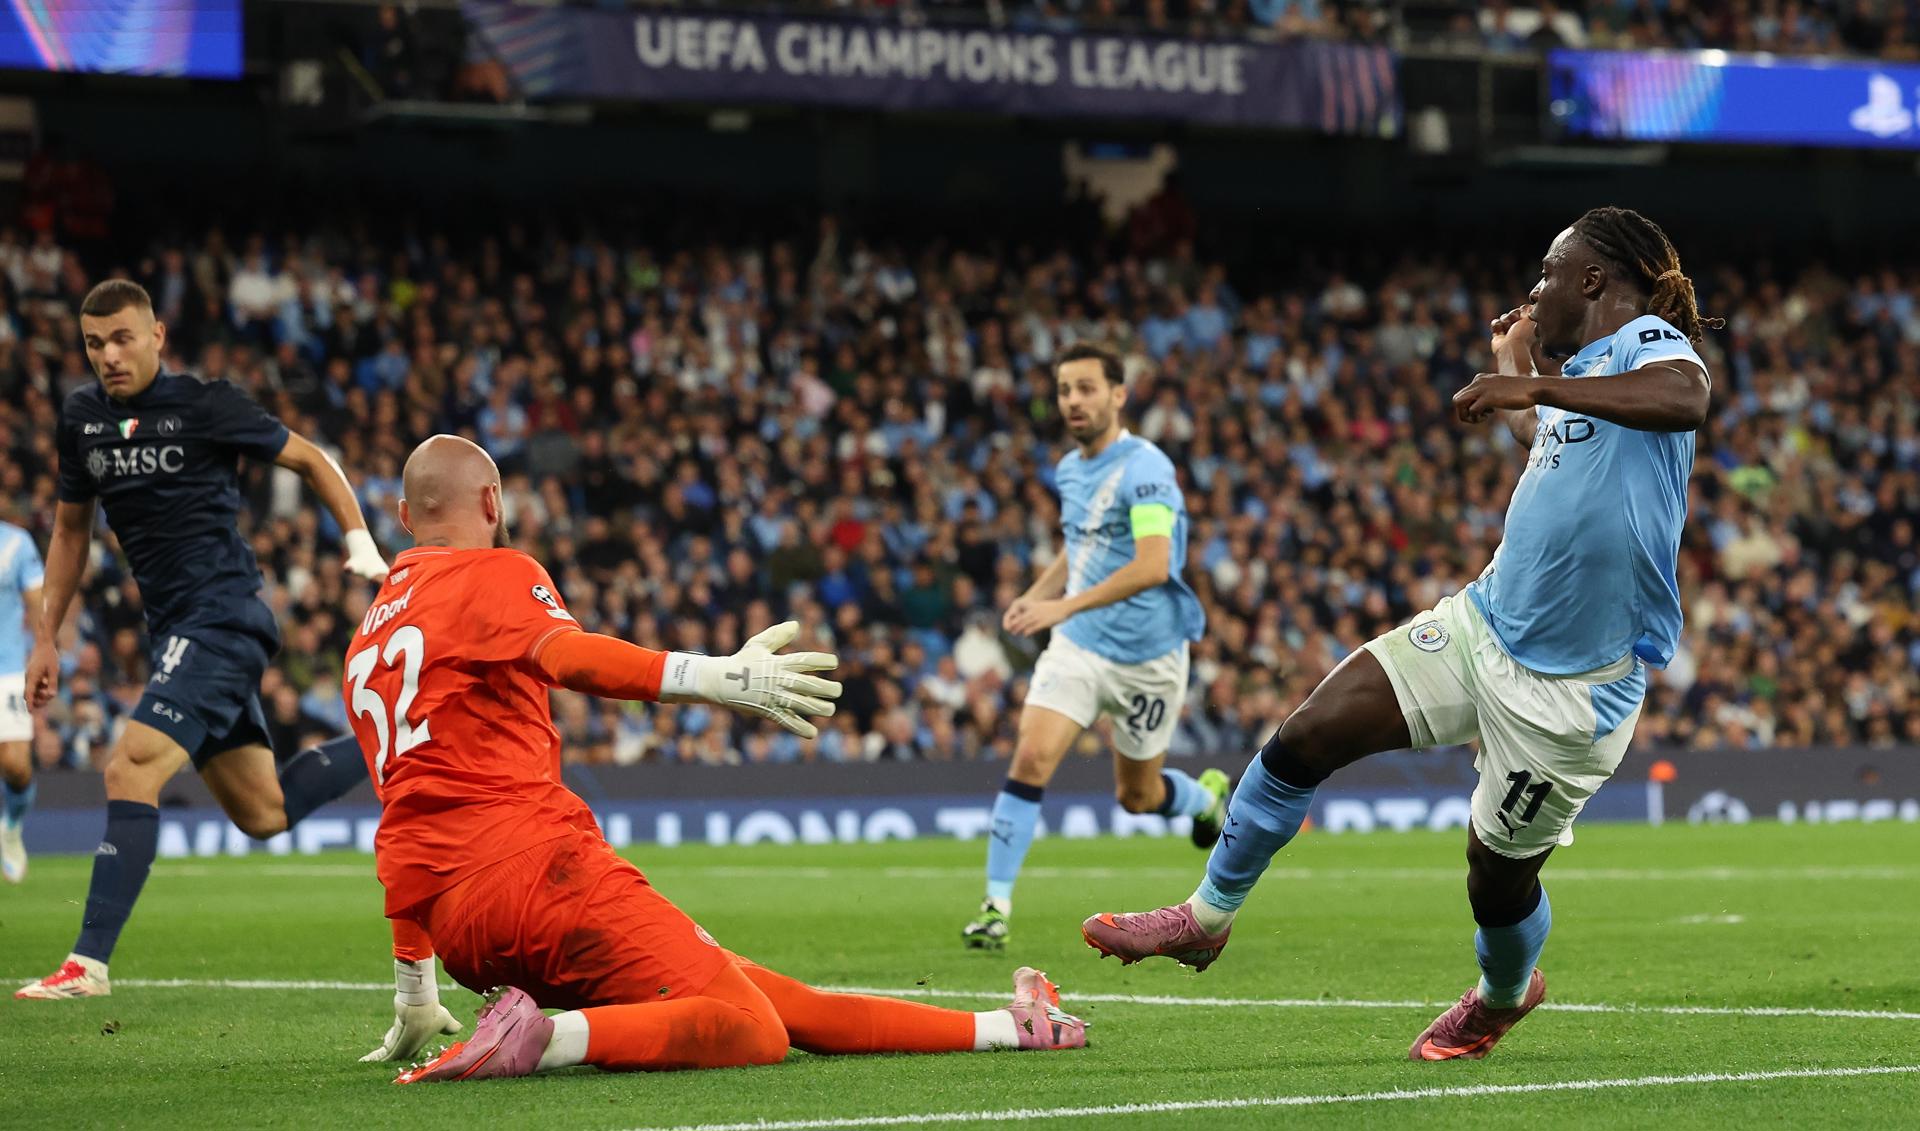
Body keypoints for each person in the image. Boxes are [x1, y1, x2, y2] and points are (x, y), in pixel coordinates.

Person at [1083, 207, 1716, 1062]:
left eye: (1548, 272)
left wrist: (1531, 383)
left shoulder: (1647, 345)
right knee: (1306, 735)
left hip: (1571, 696)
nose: (1536, 290)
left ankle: (1501, 994)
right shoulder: (1591, 374)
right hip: (1480, 624)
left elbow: (1687, 397)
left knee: (1495, 880)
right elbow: (1556, 448)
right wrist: (1516, 371)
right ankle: (1205, 918)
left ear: (1594, 280)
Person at [351, 435, 1086, 1082]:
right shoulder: (495, 572)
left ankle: (1008, 1025)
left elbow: (405, 817)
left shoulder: (366, 646)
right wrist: (717, 676)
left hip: (458, 930)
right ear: (492, 499)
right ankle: (541, 1038)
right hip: (539, 877)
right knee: (751, 1026)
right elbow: (569, 656)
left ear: (407, 518)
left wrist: (415, 988)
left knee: (778, 1001)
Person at [15, 280, 391, 1000]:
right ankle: (396, 736)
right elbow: (69, 530)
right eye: (94, 344)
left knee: (129, 767)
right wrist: (45, 638)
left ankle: (87, 963)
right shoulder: (83, 419)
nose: (109, 356)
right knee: (264, 811)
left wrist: (358, 541)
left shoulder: (206, 405)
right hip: (177, 632)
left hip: (222, 617)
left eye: (123, 338)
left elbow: (312, 459)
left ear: (158, 332)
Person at [962, 342, 1227, 951]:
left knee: (1138, 797)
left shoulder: (1146, 470)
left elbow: (1154, 565)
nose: (1073, 401)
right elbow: (1077, 548)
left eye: (1085, 388)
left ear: (1117, 395)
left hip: (1150, 659)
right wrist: (1038, 595)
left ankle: (1204, 798)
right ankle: (995, 906)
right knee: (1030, 758)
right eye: (1063, 390)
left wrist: (1061, 605)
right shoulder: (1069, 470)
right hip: (1079, 648)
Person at [0, 517, 44, 883]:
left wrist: (44, 653)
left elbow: (37, 603)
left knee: (16, 764)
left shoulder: (15, 543)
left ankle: (11, 826)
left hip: (7, 668)